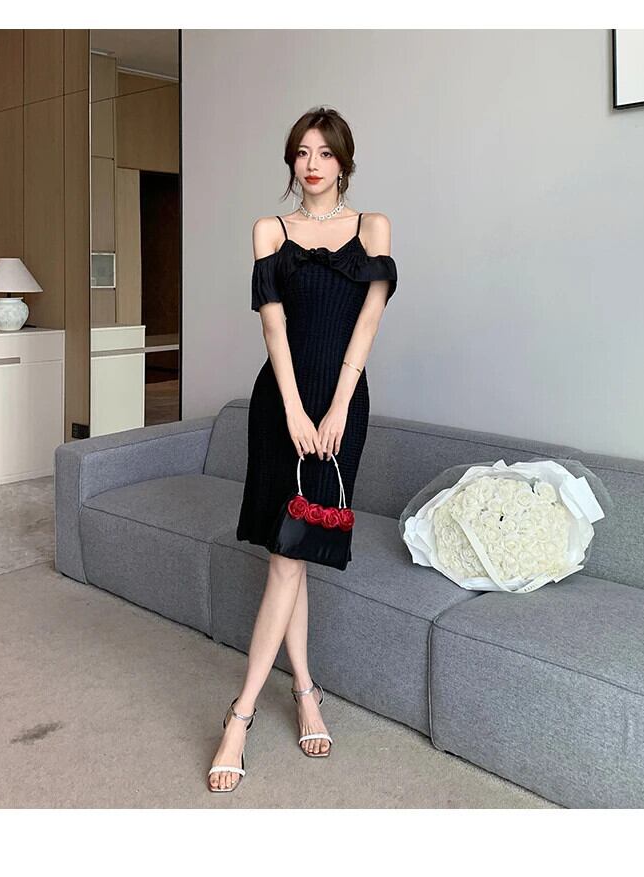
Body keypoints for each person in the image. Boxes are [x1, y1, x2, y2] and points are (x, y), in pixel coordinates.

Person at [208, 106, 398, 792]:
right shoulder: (271, 229)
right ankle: (271, 703)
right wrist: (293, 408)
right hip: (281, 405)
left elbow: (368, 322)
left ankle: (266, 703)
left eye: (324, 152)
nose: (312, 164)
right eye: (301, 152)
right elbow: (274, 328)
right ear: (291, 160)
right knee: (287, 555)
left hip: (342, 405)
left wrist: (338, 404)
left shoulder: (372, 227)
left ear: (344, 161)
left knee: (297, 553)